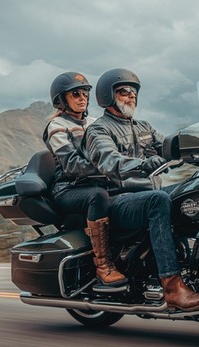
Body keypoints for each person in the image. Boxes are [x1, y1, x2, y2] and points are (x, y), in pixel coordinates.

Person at [84, 68, 199, 311]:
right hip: (119, 201)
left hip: (150, 195)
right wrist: (143, 164)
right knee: (158, 200)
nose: (131, 96)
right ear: (107, 96)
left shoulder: (144, 127)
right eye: (123, 91)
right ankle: (173, 287)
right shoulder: (98, 130)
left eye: (133, 92)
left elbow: (169, 145)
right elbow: (108, 160)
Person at [44, 71, 126, 286]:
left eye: (85, 93)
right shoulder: (57, 126)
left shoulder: (95, 123)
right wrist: (108, 168)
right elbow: (70, 163)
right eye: (76, 94)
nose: (83, 98)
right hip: (69, 188)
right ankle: (103, 265)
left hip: (99, 182)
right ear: (62, 100)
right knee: (98, 196)